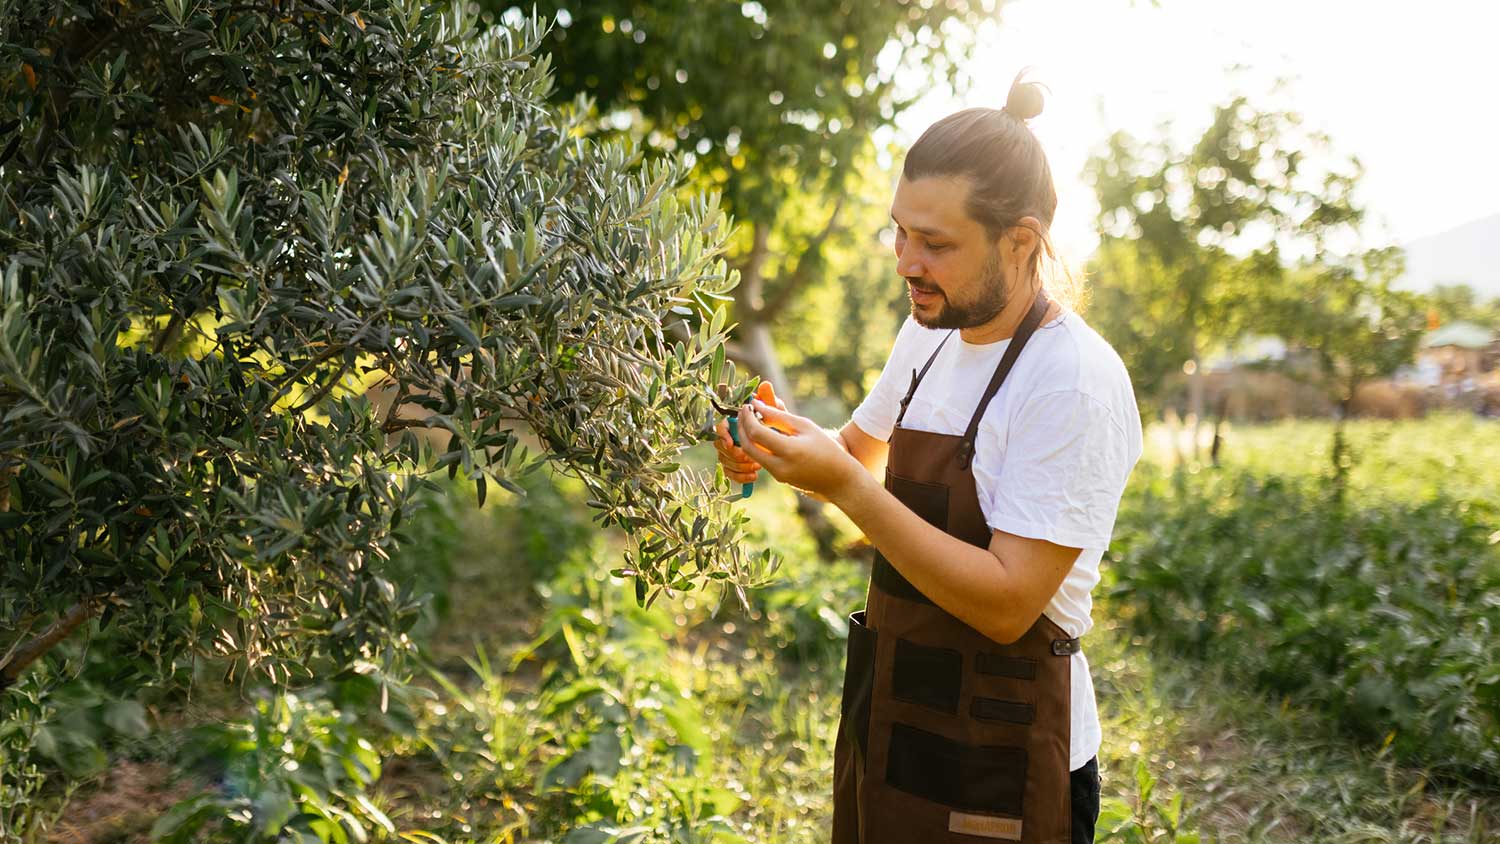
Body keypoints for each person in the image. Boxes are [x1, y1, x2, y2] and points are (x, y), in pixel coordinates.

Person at [715, 72, 1143, 843]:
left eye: (935, 243)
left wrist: (844, 485)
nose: (905, 262)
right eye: (899, 231)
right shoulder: (929, 329)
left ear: (1022, 241)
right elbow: (854, 456)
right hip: (894, 715)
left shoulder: (1071, 382)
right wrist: (773, 444)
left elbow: (1011, 603)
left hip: (1007, 749)